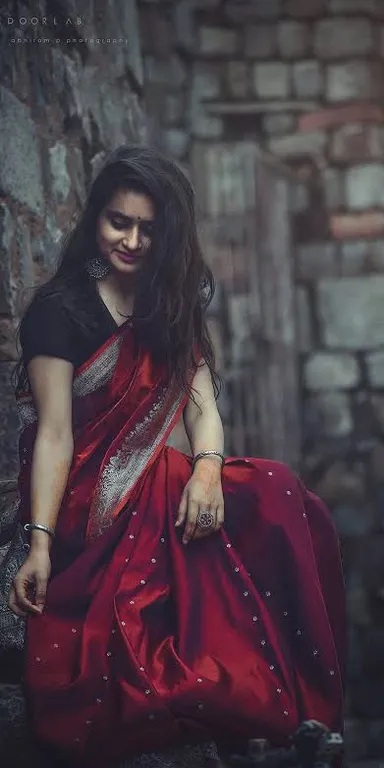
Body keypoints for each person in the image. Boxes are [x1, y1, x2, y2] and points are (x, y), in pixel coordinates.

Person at [1, 145, 345, 768]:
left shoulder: (172, 304)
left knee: (276, 491)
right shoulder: (60, 313)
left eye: (148, 228)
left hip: (159, 479)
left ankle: (298, 705)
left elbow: (201, 408)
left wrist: (209, 471)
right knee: (181, 496)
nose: (131, 239)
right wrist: (41, 543)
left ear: (170, 234)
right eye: (117, 222)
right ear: (94, 222)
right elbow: (53, 434)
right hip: (86, 491)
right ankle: (237, 695)